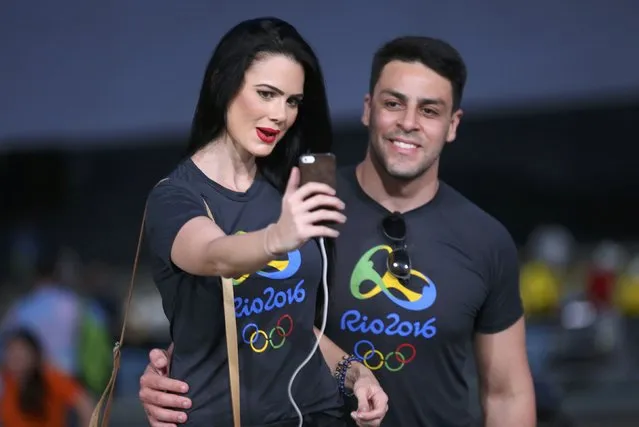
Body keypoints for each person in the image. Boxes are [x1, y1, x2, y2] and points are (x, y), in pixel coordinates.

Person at [138, 35, 536, 426]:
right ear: (368, 109)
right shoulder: (305, 202)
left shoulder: (487, 239)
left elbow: (508, 393)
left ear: (453, 124)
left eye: (429, 110)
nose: (408, 123)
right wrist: (180, 365)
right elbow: (241, 294)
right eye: (393, 103)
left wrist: (357, 372)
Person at [139, 16, 387, 427]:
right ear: (223, 83)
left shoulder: (284, 185)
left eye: (292, 101)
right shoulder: (175, 197)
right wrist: (276, 238)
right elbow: (213, 255)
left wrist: (357, 374)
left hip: (319, 414)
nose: (280, 115)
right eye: (267, 94)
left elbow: (297, 327)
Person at [0, 328, 94, 427]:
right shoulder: (5, 381)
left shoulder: (49, 377)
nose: (16, 357)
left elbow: (85, 404)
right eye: (12, 351)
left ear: (34, 354)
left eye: (21, 351)